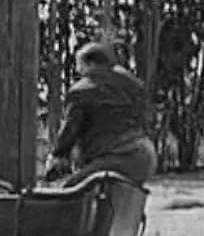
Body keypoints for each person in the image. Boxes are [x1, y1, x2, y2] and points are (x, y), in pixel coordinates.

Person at [44, 42, 157, 187]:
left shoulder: (82, 90)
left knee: (72, 190)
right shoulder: (132, 83)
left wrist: (57, 156)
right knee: (118, 200)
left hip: (120, 155)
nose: (78, 70)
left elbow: (71, 128)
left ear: (89, 64)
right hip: (146, 154)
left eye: (80, 65)